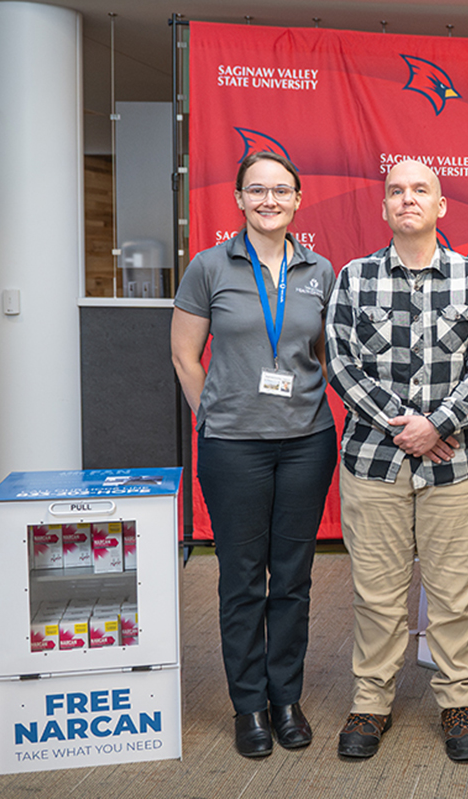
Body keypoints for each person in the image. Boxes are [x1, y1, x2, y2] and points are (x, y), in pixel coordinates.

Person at [326, 159, 468, 763]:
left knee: (455, 594)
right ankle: (370, 703)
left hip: (456, 467)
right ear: (383, 208)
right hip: (373, 465)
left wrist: (440, 424)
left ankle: (458, 702)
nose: (408, 199)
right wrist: (408, 427)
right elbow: (341, 363)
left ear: (441, 205)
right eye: (397, 191)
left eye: (420, 190)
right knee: (376, 594)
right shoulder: (353, 279)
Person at [170, 151, 337, 759]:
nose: (269, 200)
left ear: (298, 199)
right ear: (239, 199)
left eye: (281, 191)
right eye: (257, 190)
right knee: (242, 580)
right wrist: (210, 414)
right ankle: (249, 707)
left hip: (306, 443)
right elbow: (186, 356)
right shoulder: (209, 267)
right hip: (233, 447)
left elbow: (321, 355)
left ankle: (285, 698)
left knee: (292, 579)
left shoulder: (321, 270)